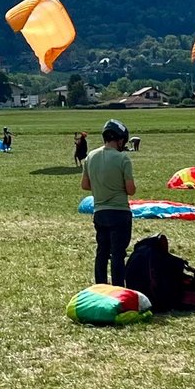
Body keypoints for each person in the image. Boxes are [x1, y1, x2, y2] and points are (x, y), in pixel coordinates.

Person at [81, 119, 137, 287]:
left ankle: (100, 287)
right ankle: (119, 288)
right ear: (119, 139)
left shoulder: (90, 157)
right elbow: (131, 190)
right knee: (118, 254)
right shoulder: (123, 159)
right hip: (119, 212)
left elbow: (84, 185)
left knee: (102, 252)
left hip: (100, 212)